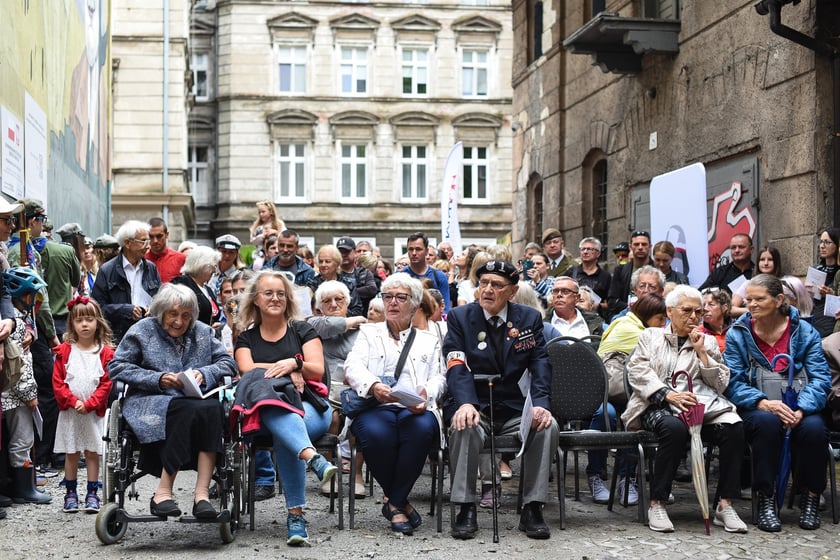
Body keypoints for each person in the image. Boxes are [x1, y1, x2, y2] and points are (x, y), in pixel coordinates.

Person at [444, 260, 559, 540]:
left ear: (512, 291)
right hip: (475, 402)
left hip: (512, 406)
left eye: (497, 285)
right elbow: (455, 364)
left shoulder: (528, 319)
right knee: (464, 425)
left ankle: (532, 507)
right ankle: (466, 506)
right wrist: (465, 403)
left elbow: (540, 364)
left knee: (547, 426)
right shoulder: (460, 318)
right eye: (483, 283)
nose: (488, 290)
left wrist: (541, 403)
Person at [624, 285, 747, 533]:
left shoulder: (708, 341)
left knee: (734, 427)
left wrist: (702, 352)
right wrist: (668, 394)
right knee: (674, 429)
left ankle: (725, 504)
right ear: (670, 311)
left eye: (698, 312)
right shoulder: (651, 336)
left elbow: (721, 384)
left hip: (699, 407)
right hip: (655, 404)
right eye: (687, 310)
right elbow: (637, 372)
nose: (694, 317)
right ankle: (658, 502)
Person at [109, 284, 237, 520]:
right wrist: (158, 379)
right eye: (173, 314)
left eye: (186, 316)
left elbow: (228, 364)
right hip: (150, 402)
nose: (179, 321)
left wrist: (204, 373)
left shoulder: (203, 332)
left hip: (194, 402)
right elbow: (117, 367)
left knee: (212, 409)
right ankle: (163, 492)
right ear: (161, 312)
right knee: (186, 409)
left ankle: (202, 496)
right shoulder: (142, 330)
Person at [233, 270, 336, 546]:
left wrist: (295, 364)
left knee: (285, 429)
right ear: (255, 299)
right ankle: (311, 461)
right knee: (274, 407)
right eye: (268, 293)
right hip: (268, 410)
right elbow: (247, 371)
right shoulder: (246, 338)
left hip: (310, 406)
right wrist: (285, 369)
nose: (275, 298)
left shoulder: (302, 329)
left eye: (280, 293)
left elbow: (317, 370)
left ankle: (297, 515)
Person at [723, 274, 831, 532]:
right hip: (758, 407)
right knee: (766, 424)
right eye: (748, 299)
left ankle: (810, 496)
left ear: (779, 299)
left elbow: (821, 378)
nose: (751, 305)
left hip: (799, 404)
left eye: (759, 299)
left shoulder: (805, 332)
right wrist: (762, 402)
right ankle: (766, 498)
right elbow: (732, 382)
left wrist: (801, 408)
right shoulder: (738, 333)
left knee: (814, 429)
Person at [344, 275, 445, 535]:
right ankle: (399, 502)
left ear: (414, 304)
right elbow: (352, 366)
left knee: (422, 430)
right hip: (376, 405)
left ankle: (394, 503)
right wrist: (374, 386)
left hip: (416, 407)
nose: (392, 302)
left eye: (400, 297)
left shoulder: (429, 340)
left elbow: (440, 377)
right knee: (375, 434)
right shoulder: (368, 332)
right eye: (387, 296)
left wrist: (426, 393)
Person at [586, 293, 667, 505]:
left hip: (633, 393)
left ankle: (627, 479)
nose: (663, 324)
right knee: (607, 414)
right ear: (648, 315)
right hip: (607, 392)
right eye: (660, 319)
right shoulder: (629, 329)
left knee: (635, 414)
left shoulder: (631, 323)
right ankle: (595, 475)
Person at [52, 295, 114, 514]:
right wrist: (73, 401)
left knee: (92, 452)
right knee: (71, 453)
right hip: (71, 413)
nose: (84, 324)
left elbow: (106, 383)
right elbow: (58, 382)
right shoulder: (65, 352)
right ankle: (70, 493)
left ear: (98, 321)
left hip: (92, 412)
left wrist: (90, 403)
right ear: (72, 324)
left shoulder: (105, 353)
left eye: (89, 319)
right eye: (79, 321)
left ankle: (92, 493)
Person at [307, 280, 368, 497]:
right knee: (331, 417)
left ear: (347, 302)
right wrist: (351, 321)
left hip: (355, 389)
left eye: (339, 300)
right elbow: (325, 325)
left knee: (360, 417)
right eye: (327, 301)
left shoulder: (364, 332)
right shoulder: (313, 326)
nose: (333, 304)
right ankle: (329, 473)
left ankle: (357, 473)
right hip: (324, 391)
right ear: (319, 307)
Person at [1, 267, 51, 506]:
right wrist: (31, 395)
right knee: (22, 440)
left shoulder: (18, 322)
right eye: (33, 296)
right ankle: (24, 489)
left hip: (9, 395)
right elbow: (21, 366)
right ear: (22, 296)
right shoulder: (17, 324)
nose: (35, 301)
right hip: (17, 396)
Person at [91, 220, 161, 344]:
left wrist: (153, 307)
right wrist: (125, 310)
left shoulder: (151, 268)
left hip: (148, 335)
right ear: (128, 243)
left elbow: (160, 298)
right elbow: (97, 308)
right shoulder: (107, 270)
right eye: (143, 241)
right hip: (118, 338)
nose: (148, 246)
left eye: (148, 241)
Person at [400, 232, 451, 314]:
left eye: (418, 249)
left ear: (426, 251)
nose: (414, 253)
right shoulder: (399, 276)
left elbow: (445, 309)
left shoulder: (439, 276)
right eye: (410, 249)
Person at [171, 246, 222, 327]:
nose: (215, 271)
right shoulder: (181, 284)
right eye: (214, 266)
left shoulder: (208, 289)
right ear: (202, 265)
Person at [308, 243, 364, 316]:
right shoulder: (311, 285)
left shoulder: (348, 284)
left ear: (337, 263)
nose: (323, 265)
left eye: (327, 261)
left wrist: (340, 312)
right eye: (321, 261)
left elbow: (358, 311)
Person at [607, 231, 653, 317]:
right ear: (630, 247)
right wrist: (630, 306)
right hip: (625, 316)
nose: (640, 247)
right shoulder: (620, 270)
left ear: (650, 246)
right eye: (636, 244)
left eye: (644, 244)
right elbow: (612, 300)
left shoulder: (657, 270)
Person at [730, 246, 781, 317]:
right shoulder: (748, 284)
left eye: (770, 259)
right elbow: (731, 310)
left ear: (776, 262)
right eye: (762, 260)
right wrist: (752, 310)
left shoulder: (784, 284)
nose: (766, 263)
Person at [568, 237, 611, 319]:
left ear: (598, 253)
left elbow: (610, 304)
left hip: (595, 318)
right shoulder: (571, 272)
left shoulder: (605, 276)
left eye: (589, 249)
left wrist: (596, 305)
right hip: (571, 316)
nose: (585, 252)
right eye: (583, 249)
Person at [144, 217, 186, 284]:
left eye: (159, 236)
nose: (155, 241)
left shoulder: (181, 259)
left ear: (167, 235)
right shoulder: (141, 260)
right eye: (151, 237)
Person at [699, 287, 733, 352]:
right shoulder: (699, 333)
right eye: (703, 305)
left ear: (724, 308)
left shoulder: (737, 329)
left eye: (711, 304)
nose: (705, 308)